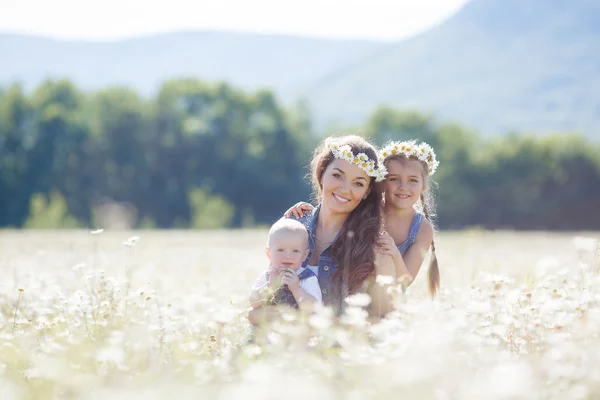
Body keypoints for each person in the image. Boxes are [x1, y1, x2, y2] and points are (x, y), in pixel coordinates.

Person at [248, 135, 397, 326]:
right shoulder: (293, 225)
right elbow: (258, 306)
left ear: (367, 191)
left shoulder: (376, 247)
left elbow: (384, 319)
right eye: (337, 175)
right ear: (322, 173)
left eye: (358, 183)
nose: (345, 189)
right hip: (277, 344)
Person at [285, 139, 440, 296]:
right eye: (394, 179)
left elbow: (405, 282)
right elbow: (336, 207)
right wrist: (311, 213)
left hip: (388, 294)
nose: (403, 187)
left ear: (424, 185)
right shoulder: (368, 210)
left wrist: (393, 252)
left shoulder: (422, 229)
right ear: (382, 183)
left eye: (413, 180)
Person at [249, 218, 322, 311]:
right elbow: (253, 302)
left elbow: (315, 308)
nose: (288, 256)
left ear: (304, 255)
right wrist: (271, 285)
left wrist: (297, 289)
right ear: (269, 253)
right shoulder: (268, 275)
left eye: (295, 251)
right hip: (268, 323)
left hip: (296, 324)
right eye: (280, 250)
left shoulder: (307, 277)